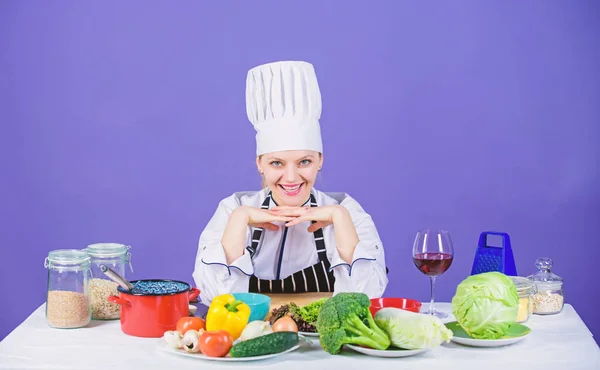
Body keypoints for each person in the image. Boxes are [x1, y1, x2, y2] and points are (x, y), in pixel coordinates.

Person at [192, 60, 388, 306]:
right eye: (277, 163)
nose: (292, 177)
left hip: (321, 342)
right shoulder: (234, 208)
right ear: (259, 164)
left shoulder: (346, 209)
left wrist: (339, 217)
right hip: (254, 334)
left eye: (304, 162)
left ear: (320, 161)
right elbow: (217, 299)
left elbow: (364, 297)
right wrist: (241, 219)